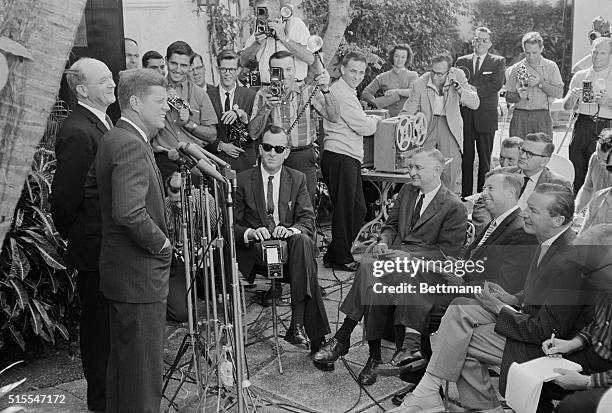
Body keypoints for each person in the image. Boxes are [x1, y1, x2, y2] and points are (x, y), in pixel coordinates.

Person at [391, 184, 592, 413]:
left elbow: (546, 331)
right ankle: (432, 393)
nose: (524, 213)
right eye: (527, 207)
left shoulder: (568, 261)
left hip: (549, 346)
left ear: (558, 220)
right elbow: (536, 292)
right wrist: (511, 298)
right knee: (459, 309)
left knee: (458, 342)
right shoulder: (549, 241)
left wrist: (499, 308)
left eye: (533, 211)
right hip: (528, 319)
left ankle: (452, 399)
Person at [313, 148, 467, 383]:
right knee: (370, 270)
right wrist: (384, 241)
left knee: (369, 271)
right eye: (410, 167)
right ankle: (371, 356)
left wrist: (410, 259)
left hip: (424, 274)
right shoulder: (407, 191)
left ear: (437, 171)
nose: (411, 172)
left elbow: (449, 257)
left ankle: (347, 338)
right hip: (396, 262)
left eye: (418, 168)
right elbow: (391, 224)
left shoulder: (453, 206)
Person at [389, 170, 537, 405]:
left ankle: (421, 376)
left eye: (490, 188)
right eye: (484, 187)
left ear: (511, 193)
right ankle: (418, 370)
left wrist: (462, 280)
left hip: (482, 303)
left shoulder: (519, 230)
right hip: (467, 289)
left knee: (413, 304)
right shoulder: (497, 223)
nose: (483, 193)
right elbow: (483, 266)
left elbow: (505, 287)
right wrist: (461, 267)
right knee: (409, 288)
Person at [86, 68, 172, 413]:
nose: (167, 107)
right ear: (135, 103)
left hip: (123, 273)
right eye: (161, 101)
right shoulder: (129, 144)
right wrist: (162, 244)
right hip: (138, 277)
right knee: (141, 374)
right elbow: (129, 212)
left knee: (125, 370)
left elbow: (95, 193)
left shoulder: (116, 137)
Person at [234, 125, 331, 370]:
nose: (272, 153)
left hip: (289, 253)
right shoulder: (243, 179)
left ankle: (298, 327)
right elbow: (229, 225)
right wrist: (250, 232)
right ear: (260, 149)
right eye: (267, 147)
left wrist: (290, 230)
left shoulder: (296, 178)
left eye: (278, 148)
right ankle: (315, 340)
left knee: (301, 242)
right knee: (306, 263)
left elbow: (307, 221)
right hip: (256, 251)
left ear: (287, 152)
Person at [50, 57, 115, 413]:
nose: (112, 83)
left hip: (106, 244)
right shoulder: (77, 130)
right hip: (94, 246)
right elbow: (64, 197)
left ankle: (110, 392)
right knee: (97, 327)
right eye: (104, 79)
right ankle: (101, 401)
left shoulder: (102, 121)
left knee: (107, 323)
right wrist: (77, 234)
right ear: (83, 89)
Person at [249, 50, 339, 202]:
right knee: (273, 205)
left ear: (295, 70)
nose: (284, 75)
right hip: (273, 156)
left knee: (304, 208)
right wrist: (266, 108)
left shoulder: (308, 91)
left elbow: (334, 116)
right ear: (271, 73)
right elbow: (253, 133)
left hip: (302, 157)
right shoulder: (263, 94)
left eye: (289, 69)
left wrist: (326, 89)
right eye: (278, 70)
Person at [539, 224, 612, 413]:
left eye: (587, 271)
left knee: (571, 408)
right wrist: (572, 343)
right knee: (539, 382)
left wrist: (586, 382)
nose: (582, 276)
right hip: (596, 356)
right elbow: (599, 324)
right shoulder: (606, 287)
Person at [321, 51, 379, 271]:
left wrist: (367, 119)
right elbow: (363, 126)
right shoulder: (342, 93)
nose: (357, 76)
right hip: (341, 155)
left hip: (347, 156)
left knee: (356, 209)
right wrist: (375, 119)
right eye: (353, 71)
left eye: (361, 72)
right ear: (343, 69)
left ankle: (334, 253)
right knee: (348, 209)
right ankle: (341, 257)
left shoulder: (347, 91)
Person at [401, 53, 480, 193]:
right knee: (423, 167)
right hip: (427, 125)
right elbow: (407, 112)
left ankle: (448, 207)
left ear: (449, 71)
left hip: (449, 125)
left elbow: (475, 103)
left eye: (440, 74)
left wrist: (460, 90)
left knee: (449, 171)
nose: (436, 77)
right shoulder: (420, 83)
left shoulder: (458, 76)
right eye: (433, 72)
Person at [471, 133, 572, 234]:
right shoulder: (500, 174)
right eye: (522, 150)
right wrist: (490, 231)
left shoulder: (558, 184)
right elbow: (481, 207)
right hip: (493, 234)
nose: (523, 156)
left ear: (544, 161)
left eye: (530, 154)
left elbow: (558, 223)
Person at [151, 41, 218, 183]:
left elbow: (212, 135)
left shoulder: (199, 94)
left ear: (189, 67)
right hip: (164, 161)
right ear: (166, 61)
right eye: (174, 63)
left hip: (194, 161)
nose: (178, 69)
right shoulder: (154, 89)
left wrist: (190, 124)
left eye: (184, 65)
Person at [456, 27, 506, 197]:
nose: (481, 43)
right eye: (478, 39)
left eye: (485, 40)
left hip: (486, 117)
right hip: (465, 118)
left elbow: (496, 85)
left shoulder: (498, 61)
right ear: (473, 41)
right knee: (466, 159)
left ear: (490, 43)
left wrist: (472, 89)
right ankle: (465, 196)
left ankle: (482, 196)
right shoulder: (462, 61)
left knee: (485, 160)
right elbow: (457, 84)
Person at [563, 37, 612, 194]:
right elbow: (566, 106)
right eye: (595, 52)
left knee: (603, 174)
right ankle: (577, 211)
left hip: (607, 126)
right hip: (582, 124)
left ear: (610, 54)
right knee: (578, 171)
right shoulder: (580, 76)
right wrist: (572, 98)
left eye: (603, 53)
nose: (597, 56)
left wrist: (608, 101)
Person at [205, 50, 257, 173]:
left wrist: (243, 115)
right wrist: (220, 145)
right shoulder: (207, 96)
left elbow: (257, 129)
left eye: (232, 70)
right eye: (224, 69)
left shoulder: (251, 95)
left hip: (244, 162)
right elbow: (202, 132)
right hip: (217, 161)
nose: (227, 74)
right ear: (218, 70)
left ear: (238, 70)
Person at [506, 31, 564, 138]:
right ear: (523, 50)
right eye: (527, 53)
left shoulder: (551, 66)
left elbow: (559, 93)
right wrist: (518, 96)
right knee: (518, 152)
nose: (531, 57)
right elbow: (508, 97)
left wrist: (540, 83)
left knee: (542, 151)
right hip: (520, 115)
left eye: (535, 53)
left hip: (542, 115)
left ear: (541, 49)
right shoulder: (516, 68)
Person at [240, 0, 313, 84]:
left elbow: (310, 59)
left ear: (277, 11)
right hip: (267, 88)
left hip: (292, 87)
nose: (261, 16)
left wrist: (284, 38)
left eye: (263, 12)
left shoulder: (295, 24)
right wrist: (257, 44)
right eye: (259, 13)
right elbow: (243, 61)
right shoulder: (261, 27)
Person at [361, 44, 418, 117]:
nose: (399, 60)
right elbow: (366, 92)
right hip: (387, 119)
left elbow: (414, 92)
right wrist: (376, 103)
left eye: (403, 57)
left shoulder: (413, 75)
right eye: (396, 56)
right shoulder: (382, 77)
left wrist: (396, 91)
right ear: (392, 57)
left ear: (407, 59)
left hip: (407, 119)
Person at [575, 128, 612, 213]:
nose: (600, 163)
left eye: (605, 161)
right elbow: (587, 188)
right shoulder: (595, 157)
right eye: (599, 157)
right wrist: (575, 211)